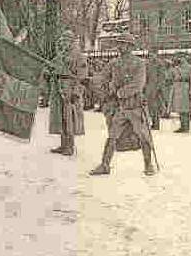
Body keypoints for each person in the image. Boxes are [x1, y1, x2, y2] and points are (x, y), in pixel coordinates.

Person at [89, 30, 155, 177]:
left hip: (136, 106)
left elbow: (138, 84)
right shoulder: (113, 63)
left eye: (124, 44)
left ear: (131, 47)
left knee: (143, 136)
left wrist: (119, 92)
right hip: (120, 108)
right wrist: (98, 85)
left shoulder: (139, 64)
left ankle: (148, 164)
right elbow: (102, 78)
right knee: (112, 136)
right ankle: (105, 165)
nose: (120, 47)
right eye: (119, 44)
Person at [49, 30, 88, 156]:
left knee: (70, 118)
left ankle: (70, 146)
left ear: (71, 42)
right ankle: (63, 144)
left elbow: (82, 77)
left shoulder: (79, 56)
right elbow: (52, 67)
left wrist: (76, 92)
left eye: (65, 41)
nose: (63, 43)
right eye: (62, 41)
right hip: (59, 88)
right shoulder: (60, 56)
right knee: (60, 118)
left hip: (71, 90)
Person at [169, 55, 191, 132]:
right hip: (178, 88)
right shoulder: (176, 68)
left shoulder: (190, 68)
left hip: (185, 89)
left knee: (185, 109)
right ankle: (182, 126)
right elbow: (171, 78)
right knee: (180, 109)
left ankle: (186, 127)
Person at [145, 49, 165, 130]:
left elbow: (162, 76)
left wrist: (159, 87)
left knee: (155, 106)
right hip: (148, 87)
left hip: (156, 87)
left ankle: (156, 123)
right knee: (149, 106)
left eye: (153, 54)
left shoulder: (159, 64)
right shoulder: (147, 64)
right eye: (150, 55)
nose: (151, 56)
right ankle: (151, 122)